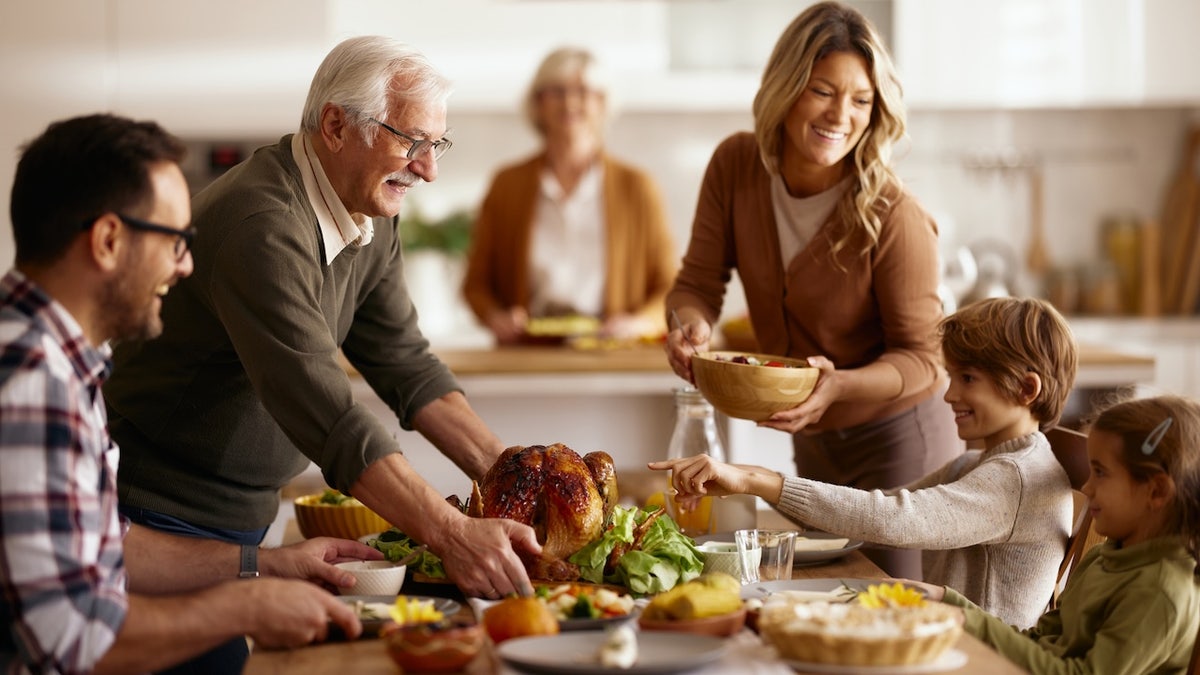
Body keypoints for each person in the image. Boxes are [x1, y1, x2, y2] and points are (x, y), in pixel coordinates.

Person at [101, 36, 540, 604]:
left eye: (438, 144)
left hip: (238, 516)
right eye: (411, 141)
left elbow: (405, 363)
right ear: (335, 127)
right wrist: (454, 534)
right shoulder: (262, 224)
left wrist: (513, 476)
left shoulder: (367, 212)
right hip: (155, 518)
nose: (428, 169)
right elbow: (328, 414)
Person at [0, 113, 361, 674]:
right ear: (109, 240)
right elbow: (70, 641)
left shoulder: (52, 357)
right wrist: (246, 605)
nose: (186, 265)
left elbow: (105, 542)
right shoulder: (32, 384)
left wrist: (263, 565)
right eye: (175, 241)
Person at [662, 0, 960, 578]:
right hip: (816, 447)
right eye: (823, 90)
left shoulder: (894, 215)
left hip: (902, 445)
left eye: (860, 99)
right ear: (787, 87)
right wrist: (689, 326)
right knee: (828, 595)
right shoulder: (736, 165)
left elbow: (926, 359)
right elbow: (696, 283)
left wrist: (838, 386)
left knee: (888, 608)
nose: (840, 114)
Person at [653, 296, 1079, 628]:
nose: (949, 394)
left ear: (1026, 389)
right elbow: (870, 513)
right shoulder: (977, 466)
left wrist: (761, 479)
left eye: (967, 379)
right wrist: (751, 481)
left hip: (981, 663)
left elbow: (896, 520)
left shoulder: (1017, 480)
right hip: (950, 648)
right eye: (951, 376)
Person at [909, 394, 1200, 674]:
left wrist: (962, 620)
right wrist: (946, 601)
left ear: (1157, 491)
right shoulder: (1103, 558)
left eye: (1100, 472)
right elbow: (1038, 643)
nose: (1087, 488)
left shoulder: (1160, 592)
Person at [462, 46, 677, 344]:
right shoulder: (506, 184)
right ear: (537, 103)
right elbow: (475, 284)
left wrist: (640, 323)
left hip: (611, 350)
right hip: (527, 353)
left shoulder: (637, 187)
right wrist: (495, 317)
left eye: (584, 91)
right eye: (556, 91)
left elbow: (669, 286)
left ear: (602, 103)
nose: (570, 102)